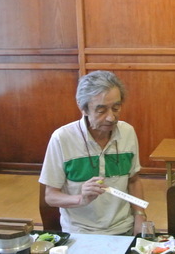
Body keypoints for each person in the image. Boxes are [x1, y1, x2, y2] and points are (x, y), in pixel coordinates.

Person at [39, 70, 146, 235]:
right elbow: (50, 197)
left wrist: (140, 215)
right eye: (101, 110)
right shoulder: (62, 138)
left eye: (116, 108)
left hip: (124, 228)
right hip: (80, 232)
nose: (111, 117)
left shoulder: (127, 132)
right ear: (83, 108)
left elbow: (133, 181)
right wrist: (80, 199)